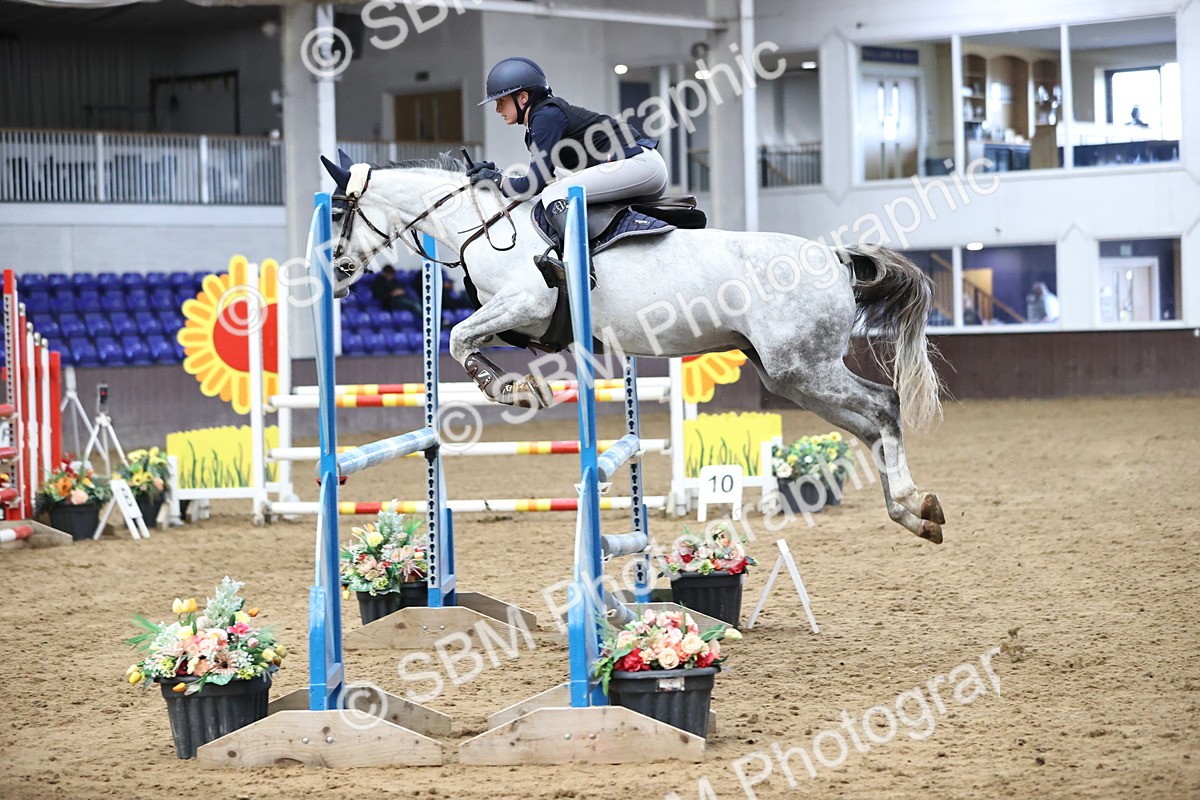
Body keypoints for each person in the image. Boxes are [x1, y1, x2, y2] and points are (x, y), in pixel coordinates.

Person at [468, 57, 668, 279]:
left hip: (640, 165)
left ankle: (579, 267)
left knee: (555, 193)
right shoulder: (542, 118)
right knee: (559, 189)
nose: (497, 109)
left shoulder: (544, 117)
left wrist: (498, 181)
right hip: (638, 168)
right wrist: (500, 175)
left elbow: (533, 184)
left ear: (523, 97)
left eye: (500, 101)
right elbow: (547, 177)